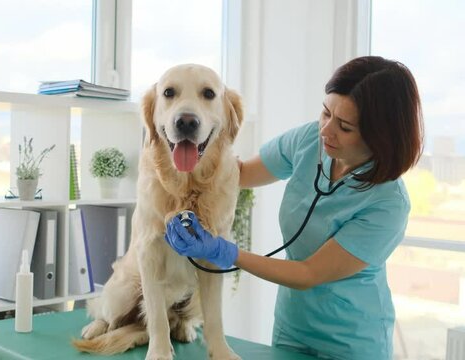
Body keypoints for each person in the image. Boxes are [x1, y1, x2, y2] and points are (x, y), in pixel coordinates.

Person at [164, 56, 424, 360]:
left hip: (352, 343)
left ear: (381, 135)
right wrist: (183, 163)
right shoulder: (309, 141)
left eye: (345, 127)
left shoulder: (388, 204)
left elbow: (308, 272)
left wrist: (225, 252)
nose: (326, 131)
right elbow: (241, 173)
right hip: (292, 329)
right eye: (325, 113)